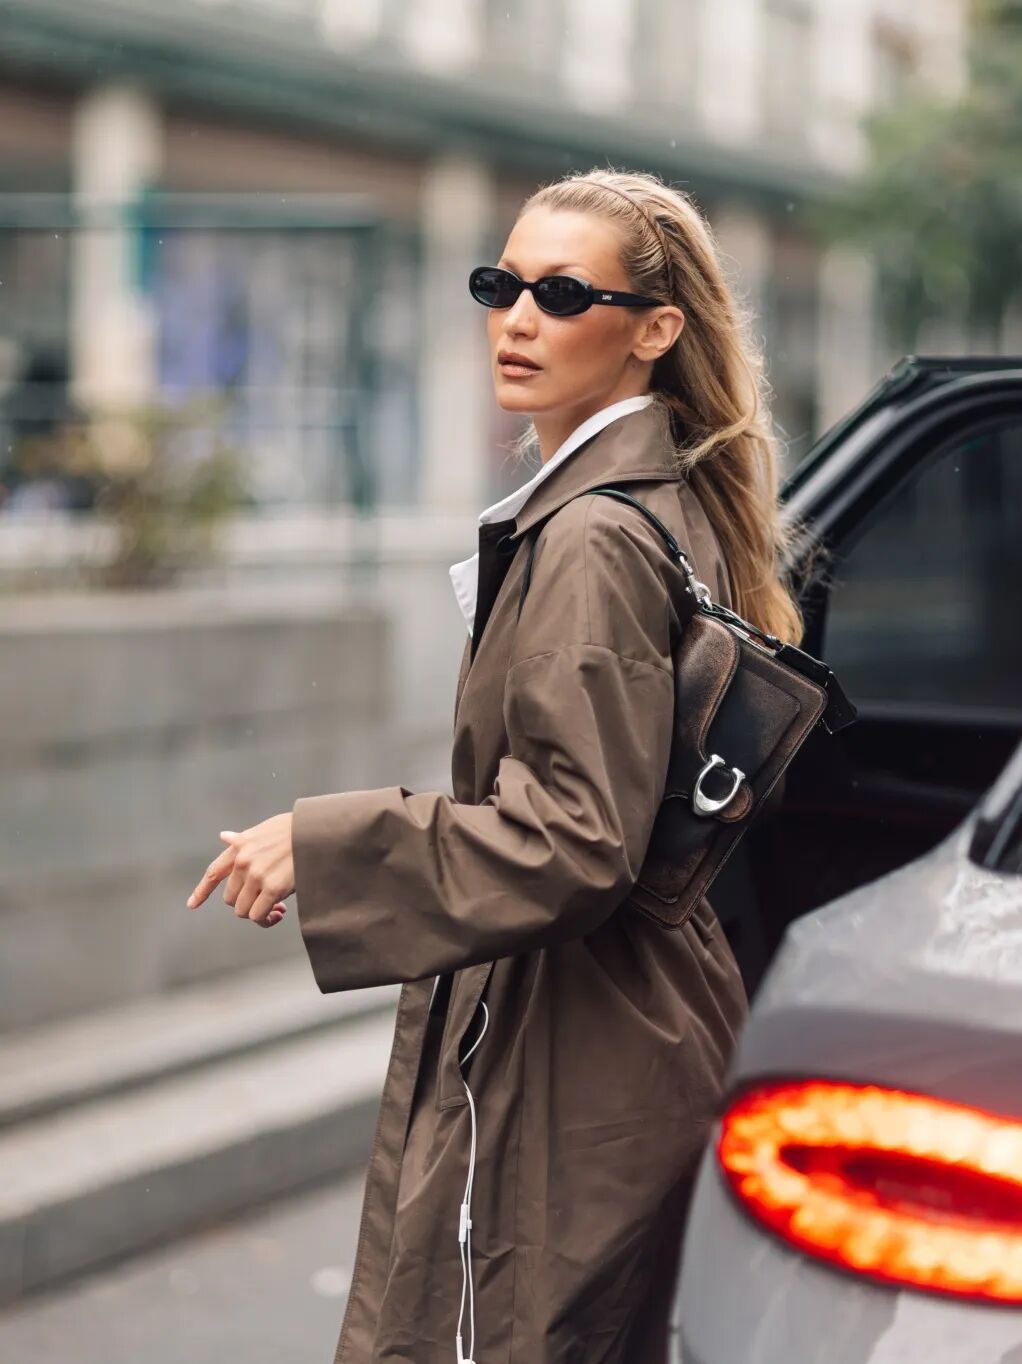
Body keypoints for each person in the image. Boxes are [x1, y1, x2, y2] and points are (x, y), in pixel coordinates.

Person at [186, 167, 806, 1363]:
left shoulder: (593, 534)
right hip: (605, 1022)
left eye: (562, 294)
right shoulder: (639, 502)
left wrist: (322, 841)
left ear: (653, 330)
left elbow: (575, 835)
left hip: (577, 1042)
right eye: (500, 285)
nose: (517, 320)